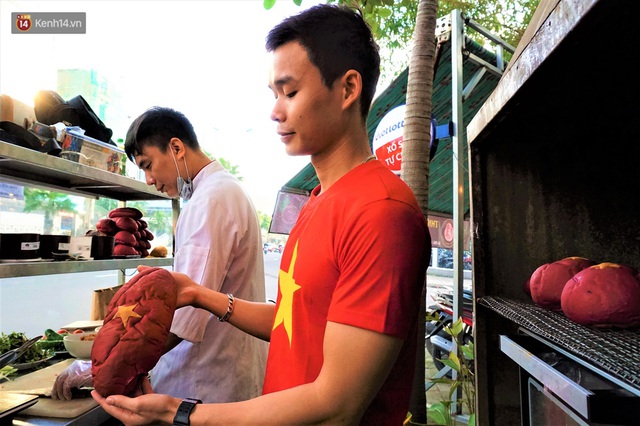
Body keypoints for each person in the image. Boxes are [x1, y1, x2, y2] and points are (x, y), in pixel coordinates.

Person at [92, 4, 431, 425]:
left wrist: (178, 413)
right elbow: (295, 321)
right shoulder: (319, 201)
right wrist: (199, 294)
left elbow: (337, 406)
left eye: (289, 92)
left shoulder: (382, 213)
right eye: (273, 95)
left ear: (347, 90)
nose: (275, 111)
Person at [52, 107, 268, 403]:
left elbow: (186, 314)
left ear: (176, 147)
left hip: (204, 383)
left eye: (148, 164)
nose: (149, 179)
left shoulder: (210, 200)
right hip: (221, 373)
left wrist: (104, 366)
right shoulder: (221, 191)